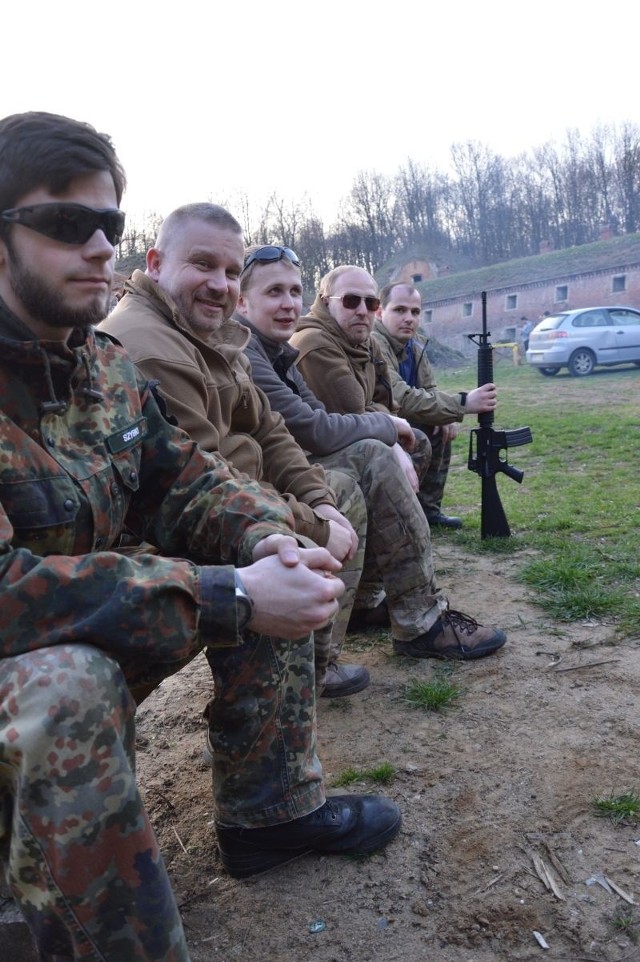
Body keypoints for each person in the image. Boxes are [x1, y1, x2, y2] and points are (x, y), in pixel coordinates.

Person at [0, 112, 401, 962]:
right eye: (68, 224)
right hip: (31, 671)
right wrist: (235, 595)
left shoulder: (97, 368)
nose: (100, 247)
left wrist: (267, 540)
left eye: (109, 224)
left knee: (262, 555)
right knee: (61, 688)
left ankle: (272, 815)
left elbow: (185, 476)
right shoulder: (127, 344)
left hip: (78, 634)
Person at [102, 204, 369, 699]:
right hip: (176, 529)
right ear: (156, 263)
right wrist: (310, 525)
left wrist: (320, 500)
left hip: (241, 499)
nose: (220, 284)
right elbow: (202, 482)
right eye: (202, 264)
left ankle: (316, 667)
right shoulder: (151, 346)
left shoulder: (212, 334)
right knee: (282, 560)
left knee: (340, 492)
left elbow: (270, 427)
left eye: (229, 271)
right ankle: (272, 761)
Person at [236, 246, 508, 661]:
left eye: (293, 291)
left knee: (393, 446)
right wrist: (388, 429)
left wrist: (410, 418)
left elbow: (387, 399)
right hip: (252, 481)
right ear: (242, 301)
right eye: (274, 292)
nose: (288, 303)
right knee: (374, 458)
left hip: (282, 464)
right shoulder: (302, 344)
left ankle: (383, 607)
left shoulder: (281, 351)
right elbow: (321, 425)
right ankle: (418, 620)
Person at [372, 281, 498, 529]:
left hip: (401, 417)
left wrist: (448, 414)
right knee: (433, 423)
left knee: (443, 425)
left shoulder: (415, 343)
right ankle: (402, 513)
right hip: (379, 419)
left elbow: (429, 388)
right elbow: (401, 398)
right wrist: (462, 403)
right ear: (380, 312)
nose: (409, 318)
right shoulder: (375, 343)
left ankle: (429, 510)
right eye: (399, 310)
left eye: (415, 312)